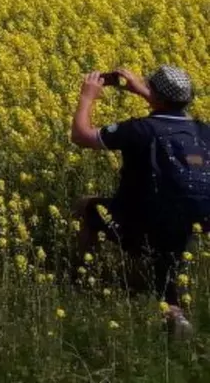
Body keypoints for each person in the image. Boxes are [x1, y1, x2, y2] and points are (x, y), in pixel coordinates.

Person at [70, 64, 210, 335]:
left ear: (155, 95)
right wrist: (147, 93)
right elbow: (170, 112)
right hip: (194, 223)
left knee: (86, 206)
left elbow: (81, 135)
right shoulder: (203, 131)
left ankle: (83, 278)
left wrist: (87, 97)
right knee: (168, 248)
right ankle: (174, 312)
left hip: (142, 223)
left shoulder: (140, 130)